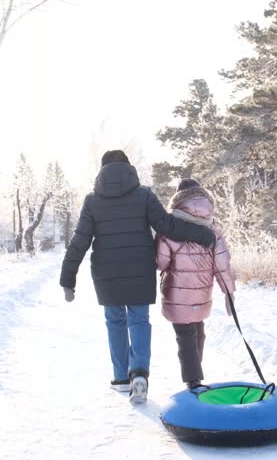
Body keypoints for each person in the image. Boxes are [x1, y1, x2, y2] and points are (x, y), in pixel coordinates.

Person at [60, 151, 216, 405]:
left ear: (102, 171)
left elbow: (80, 241)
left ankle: (121, 378)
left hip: (106, 273)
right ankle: (140, 374)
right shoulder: (144, 195)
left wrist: (68, 278)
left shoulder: (92, 201)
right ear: (128, 167)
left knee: (114, 321)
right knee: (139, 320)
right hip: (140, 269)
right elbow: (167, 225)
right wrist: (201, 233)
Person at [155, 179, 235, 390]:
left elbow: (160, 262)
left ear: (179, 199)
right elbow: (222, 265)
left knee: (185, 336)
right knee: (198, 331)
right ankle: (195, 375)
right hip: (202, 293)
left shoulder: (169, 228)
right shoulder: (213, 229)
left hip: (176, 293)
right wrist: (229, 293)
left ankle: (193, 381)